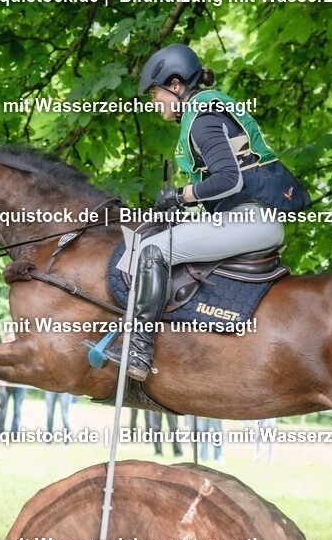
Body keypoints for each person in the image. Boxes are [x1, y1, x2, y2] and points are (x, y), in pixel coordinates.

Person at [106, 44, 311, 381]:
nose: (154, 103)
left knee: (152, 249)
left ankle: (138, 351)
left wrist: (181, 195)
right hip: (244, 216)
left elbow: (229, 180)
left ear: (175, 85)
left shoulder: (202, 118)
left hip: (251, 219)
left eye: (156, 93)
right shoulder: (207, 111)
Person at [0, 332, 24, 434]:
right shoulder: (0, 354)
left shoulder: (22, 353)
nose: (10, 341)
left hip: (19, 386)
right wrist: (1, 381)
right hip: (4, 386)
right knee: (3, 410)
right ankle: (0, 433)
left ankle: (14, 433)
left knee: (17, 411)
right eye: (7, 339)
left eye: (12, 339)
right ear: (4, 340)